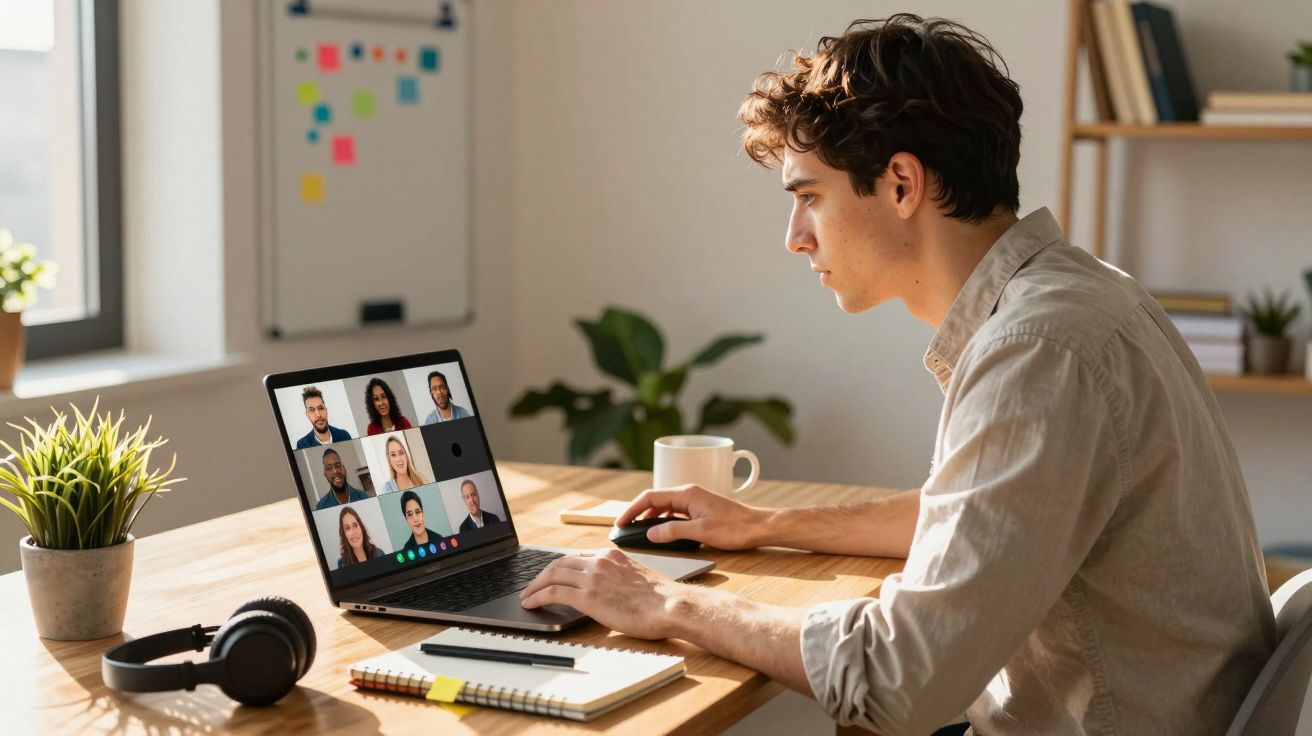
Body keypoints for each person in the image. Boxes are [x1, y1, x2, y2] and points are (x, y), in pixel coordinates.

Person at [519, 15, 1275, 735]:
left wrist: (663, 604)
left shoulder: (1041, 347)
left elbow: (898, 679)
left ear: (903, 184)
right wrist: (766, 526)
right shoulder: (1075, 294)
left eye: (809, 197)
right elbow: (978, 517)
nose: (794, 237)